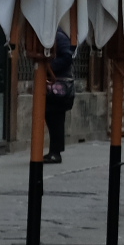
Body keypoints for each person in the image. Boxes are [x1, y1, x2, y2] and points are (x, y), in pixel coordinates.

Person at [42, 28, 78, 165]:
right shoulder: (54, 35)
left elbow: (67, 57)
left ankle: (55, 153)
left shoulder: (59, 36)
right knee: (53, 120)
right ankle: (55, 151)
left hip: (58, 86)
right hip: (54, 86)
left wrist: (49, 68)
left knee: (55, 120)